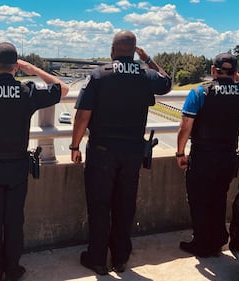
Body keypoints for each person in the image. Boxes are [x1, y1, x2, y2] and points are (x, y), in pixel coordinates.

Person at [0, 42, 69, 281]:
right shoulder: (27, 92)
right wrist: (35, 70)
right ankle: (12, 269)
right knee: (14, 220)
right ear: (16, 68)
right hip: (18, 167)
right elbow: (63, 89)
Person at [70, 30, 172, 275]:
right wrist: (148, 60)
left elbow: (83, 115)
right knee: (125, 206)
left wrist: (74, 146)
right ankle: (120, 258)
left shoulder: (99, 75)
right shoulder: (146, 75)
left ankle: (96, 258)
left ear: (112, 51)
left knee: (99, 206)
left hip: (102, 152)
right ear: (134, 50)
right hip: (133, 152)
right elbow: (166, 82)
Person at [176, 52, 239, 257]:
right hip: (228, 157)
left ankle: (202, 243)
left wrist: (180, 153)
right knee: (218, 197)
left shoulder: (200, 92)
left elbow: (186, 125)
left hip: (203, 157)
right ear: (235, 73)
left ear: (213, 71)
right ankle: (218, 239)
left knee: (199, 200)